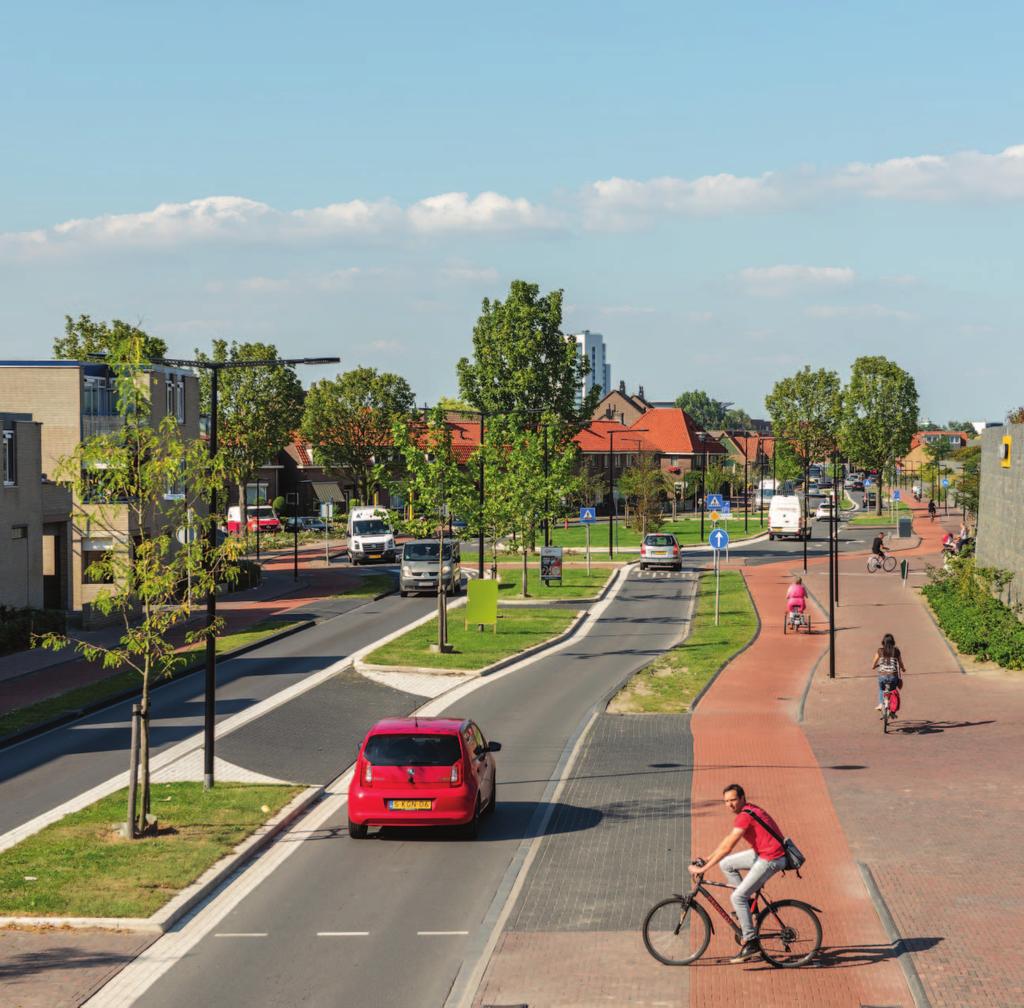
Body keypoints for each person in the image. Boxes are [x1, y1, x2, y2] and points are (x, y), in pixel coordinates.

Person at [689, 784, 790, 963]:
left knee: (737, 898)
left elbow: (728, 846)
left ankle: (751, 942)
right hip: (764, 852)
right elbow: (728, 840)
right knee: (726, 864)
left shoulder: (745, 816)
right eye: (726, 801)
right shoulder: (748, 811)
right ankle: (749, 904)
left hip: (772, 858)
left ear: (743, 798)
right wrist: (708, 858)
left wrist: (703, 869)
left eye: (733, 800)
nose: (730, 804)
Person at [871, 633, 907, 712]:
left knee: (881, 689)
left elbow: (874, 662)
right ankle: (892, 709)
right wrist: (903, 669)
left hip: (882, 676)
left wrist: (873, 667)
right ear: (893, 642)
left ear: (883, 642)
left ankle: (881, 704)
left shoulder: (880, 651)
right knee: (893, 690)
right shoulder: (896, 651)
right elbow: (900, 663)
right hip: (893, 676)